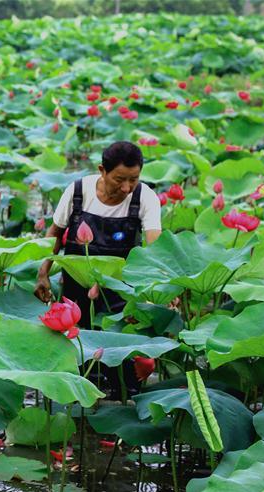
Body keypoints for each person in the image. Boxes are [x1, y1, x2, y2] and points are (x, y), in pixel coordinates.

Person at [34, 141, 162, 395]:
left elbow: (155, 247)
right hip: (76, 287)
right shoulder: (78, 191)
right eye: (119, 179)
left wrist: (160, 291)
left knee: (121, 368)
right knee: (76, 361)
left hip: (120, 289)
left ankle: (121, 399)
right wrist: (43, 272)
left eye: (133, 180)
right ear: (102, 170)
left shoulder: (144, 196)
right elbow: (55, 235)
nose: (126, 187)